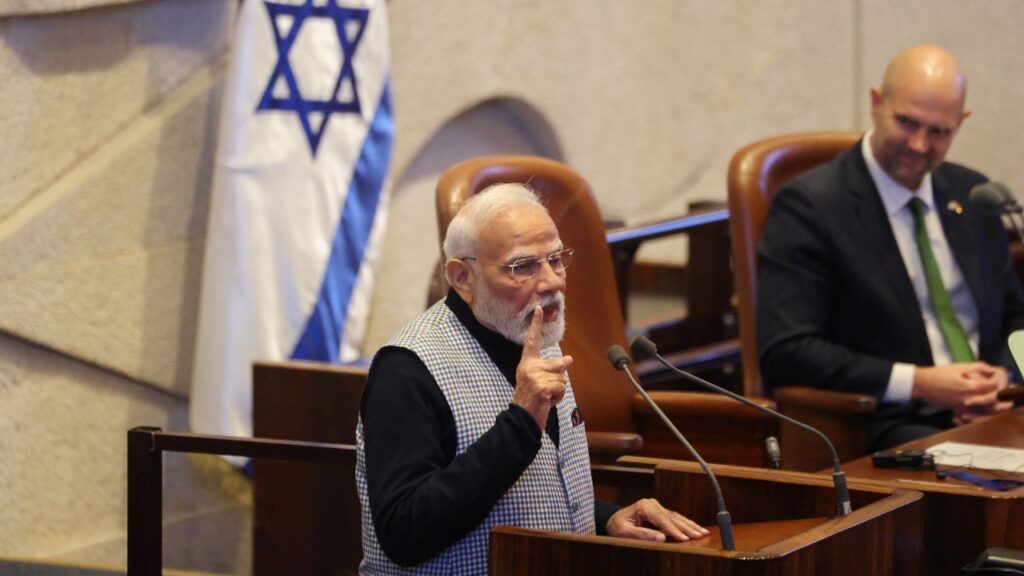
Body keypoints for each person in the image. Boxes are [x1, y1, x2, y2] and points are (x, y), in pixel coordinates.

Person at [356, 183, 708, 574]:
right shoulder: (407, 369)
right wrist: (520, 422)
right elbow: (403, 533)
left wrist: (607, 518)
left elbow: (532, 494)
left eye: (555, 259)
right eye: (523, 266)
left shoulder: (536, 337)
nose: (552, 282)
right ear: (462, 277)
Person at [757, 44, 1024, 451]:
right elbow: (787, 351)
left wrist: (1006, 380)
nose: (919, 145)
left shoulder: (973, 194)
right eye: (907, 123)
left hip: (997, 411)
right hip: (893, 421)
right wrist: (920, 383)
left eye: (938, 131)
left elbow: (1017, 317)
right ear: (876, 103)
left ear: (960, 122)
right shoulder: (812, 206)